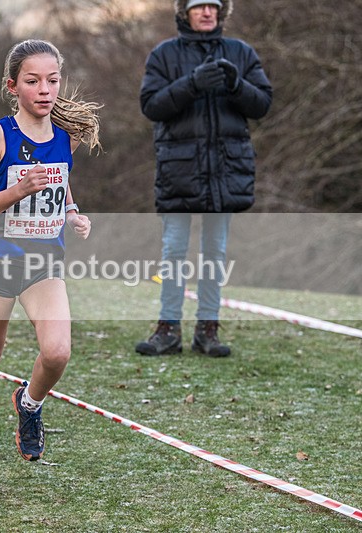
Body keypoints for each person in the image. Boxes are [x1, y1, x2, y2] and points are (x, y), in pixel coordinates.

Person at [0, 39, 101, 495]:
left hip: (44, 262)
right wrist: (17, 192)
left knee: (57, 352)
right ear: (12, 86)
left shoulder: (65, 134)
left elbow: (60, 182)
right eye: (33, 81)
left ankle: (29, 402)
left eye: (52, 80)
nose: (44, 90)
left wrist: (73, 211)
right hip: (0, 261)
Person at [136, 0, 272, 357]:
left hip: (226, 171)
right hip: (178, 170)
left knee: (216, 252)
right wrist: (192, 84)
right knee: (174, 251)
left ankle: (207, 331)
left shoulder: (240, 52)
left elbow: (262, 105)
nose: (207, 12)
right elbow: (151, 106)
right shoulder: (163, 55)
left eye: (214, 5)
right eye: (199, 6)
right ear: (184, 12)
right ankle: (167, 330)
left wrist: (236, 84)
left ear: (221, 11)